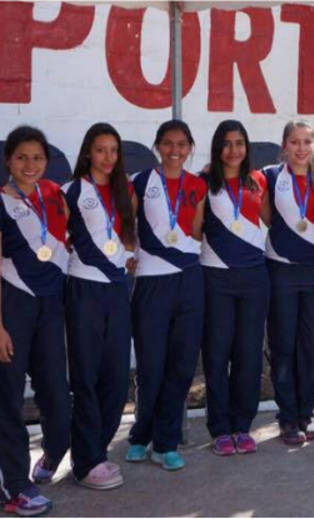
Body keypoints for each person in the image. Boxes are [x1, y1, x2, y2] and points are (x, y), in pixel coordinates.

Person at [125, 120, 208, 471]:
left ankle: (166, 441)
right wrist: (128, 255)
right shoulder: (141, 183)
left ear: (190, 147)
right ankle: (140, 435)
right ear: (158, 145)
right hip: (151, 281)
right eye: (168, 143)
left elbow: (196, 231)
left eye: (182, 144)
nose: (175, 150)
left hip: (189, 279)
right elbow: (127, 227)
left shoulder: (198, 185)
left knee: (181, 363)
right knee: (151, 364)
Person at [0, 126, 70, 516]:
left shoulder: (54, 196)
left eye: (37, 158)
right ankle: (13, 486)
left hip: (49, 308)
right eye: (22, 157)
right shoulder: (1, 202)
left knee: (56, 395)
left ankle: (49, 457)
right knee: (8, 398)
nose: (30, 165)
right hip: (12, 307)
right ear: (9, 160)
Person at [63, 123, 137, 488]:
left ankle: (97, 451)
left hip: (116, 292)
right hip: (83, 291)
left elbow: (127, 238)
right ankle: (86, 462)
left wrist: (129, 258)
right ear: (87, 153)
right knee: (86, 377)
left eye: (113, 150)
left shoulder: (125, 190)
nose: (107, 158)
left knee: (116, 376)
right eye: (100, 150)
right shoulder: (71, 191)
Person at [194, 120, 269, 456]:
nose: (234, 150)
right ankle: (220, 428)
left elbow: (271, 218)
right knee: (217, 353)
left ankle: (243, 425)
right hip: (216, 278)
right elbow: (195, 231)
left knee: (249, 355)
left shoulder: (258, 181)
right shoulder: (204, 182)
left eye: (240, 143)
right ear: (217, 146)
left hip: (254, 278)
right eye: (227, 143)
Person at [264, 120, 314, 445]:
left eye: (307, 141)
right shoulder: (269, 177)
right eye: (294, 142)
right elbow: (266, 215)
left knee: (311, 346)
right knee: (283, 346)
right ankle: (287, 417)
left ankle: (306, 414)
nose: (300, 148)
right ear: (284, 145)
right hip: (280, 271)